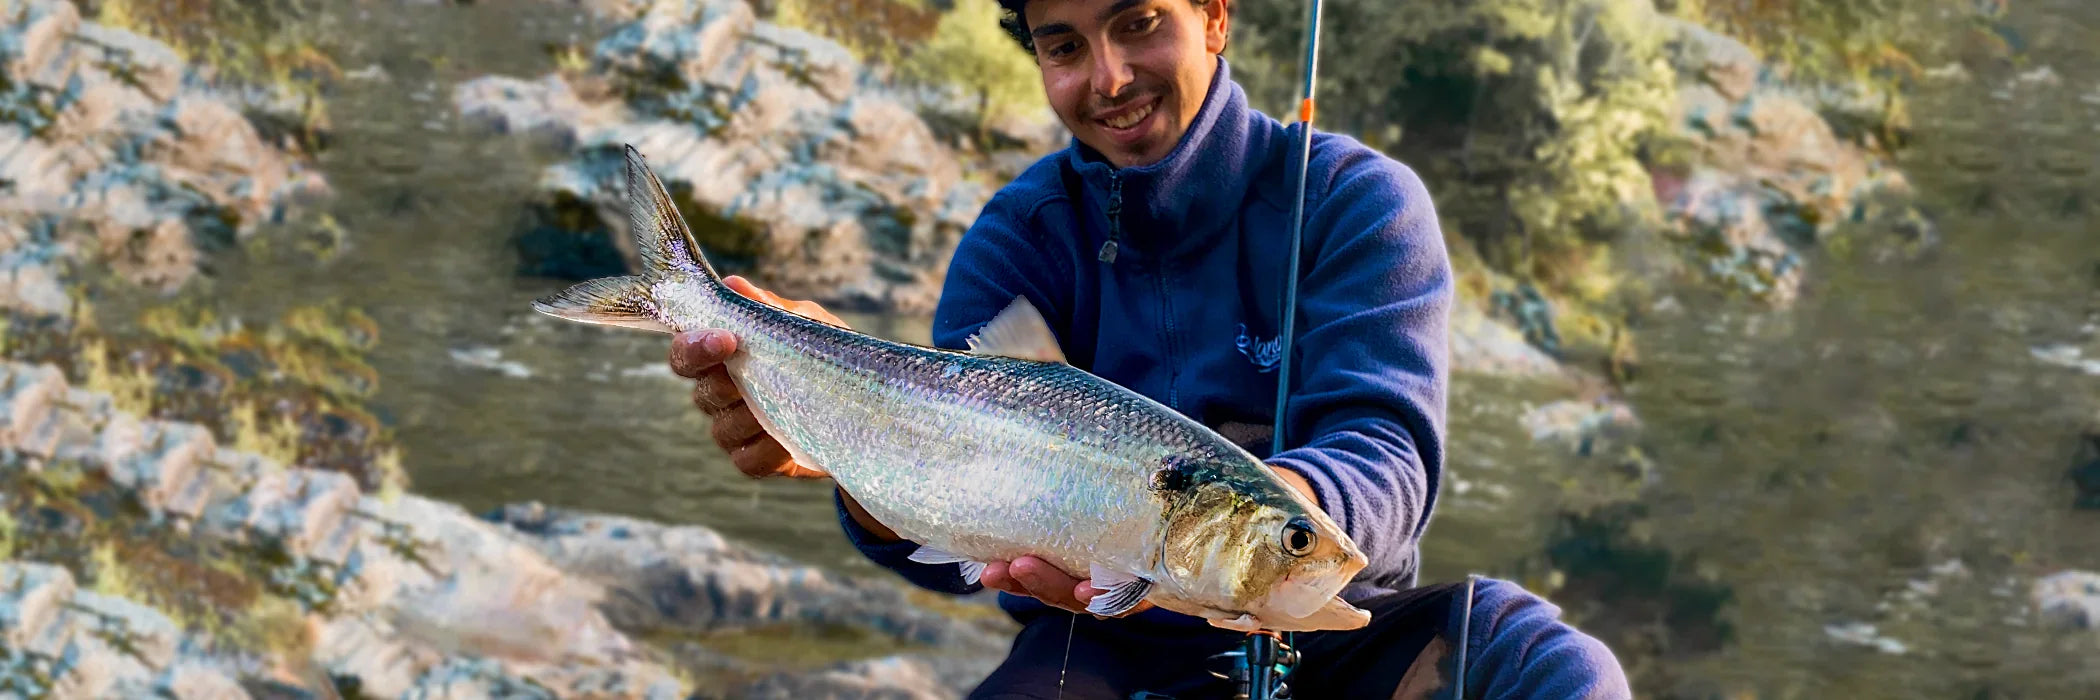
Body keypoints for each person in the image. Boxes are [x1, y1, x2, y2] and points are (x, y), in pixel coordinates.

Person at [667, 0, 1632, 697]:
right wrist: (843, 455)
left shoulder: (1356, 203)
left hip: (1335, 629)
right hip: (1093, 645)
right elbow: (946, 531)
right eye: (1065, 45)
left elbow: (1386, 450)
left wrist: (1287, 525)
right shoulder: (1018, 238)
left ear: (1215, 16)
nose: (1109, 77)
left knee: (1554, 666)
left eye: (1139, 23)